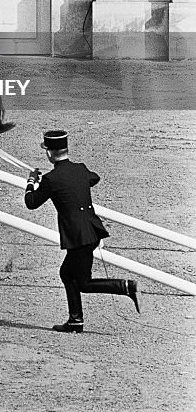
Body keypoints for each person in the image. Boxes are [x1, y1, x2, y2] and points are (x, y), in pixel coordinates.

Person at [24, 129, 140, 333]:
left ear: (49, 153)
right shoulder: (80, 169)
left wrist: (32, 182)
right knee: (67, 274)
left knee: (83, 283)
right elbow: (93, 178)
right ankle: (75, 321)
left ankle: (125, 287)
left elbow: (31, 202)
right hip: (91, 231)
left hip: (78, 236)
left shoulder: (51, 179)